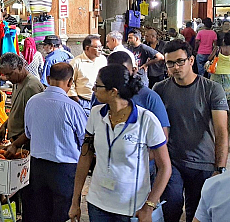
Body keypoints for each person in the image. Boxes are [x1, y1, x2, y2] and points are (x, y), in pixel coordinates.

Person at [69, 64, 171, 222]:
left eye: (98, 85)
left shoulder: (146, 120)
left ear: (113, 91)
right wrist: (75, 200)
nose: (93, 89)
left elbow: (165, 167)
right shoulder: (96, 115)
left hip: (131, 208)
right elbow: (85, 156)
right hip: (98, 204)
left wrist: (149, 206)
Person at [153, 40, 229, 222]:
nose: (176, 67)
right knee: (170, 207)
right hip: (172, 162)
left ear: (191, 60)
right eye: (170, 63)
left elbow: (221, 131)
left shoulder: (212, 89)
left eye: (180, 61)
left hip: (203, 164)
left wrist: (220, 168)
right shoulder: (160, 89)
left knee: (196, 214)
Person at [4, 63, 87, 222]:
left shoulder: (33, 102)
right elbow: (84, 141)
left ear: (47, 78)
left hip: (37, 168)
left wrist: (15, 144)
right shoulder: (73, 108)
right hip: (64, 170)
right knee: (60, 213)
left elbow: (28, 133)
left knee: (37, 211)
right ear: (70, 82)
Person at [0, 52, 44, 144]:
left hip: (26, 142)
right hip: (17, 140)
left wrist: (15, 145)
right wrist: (5, 125)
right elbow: (18, 110)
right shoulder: (16, 82)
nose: (7, 78)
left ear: (19, 67)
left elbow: (36, 123)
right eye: (5, 75)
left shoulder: (31, 87)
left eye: (9, 74)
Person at [68, 34, 107, 114]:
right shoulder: (76, 62)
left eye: (101, 47)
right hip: (84, 101)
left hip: (101, 100)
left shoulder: (102, 60)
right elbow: (70, 83)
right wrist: (78, 100)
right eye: (97, 47)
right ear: (87, 48)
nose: (100, 49)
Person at [207, 32, 230, 100]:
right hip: (227, 74)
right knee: (225, 93)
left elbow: (209, 58)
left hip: (216, 72)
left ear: (223, 40)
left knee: (215, 91)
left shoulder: (217, 49)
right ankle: (223, 106)